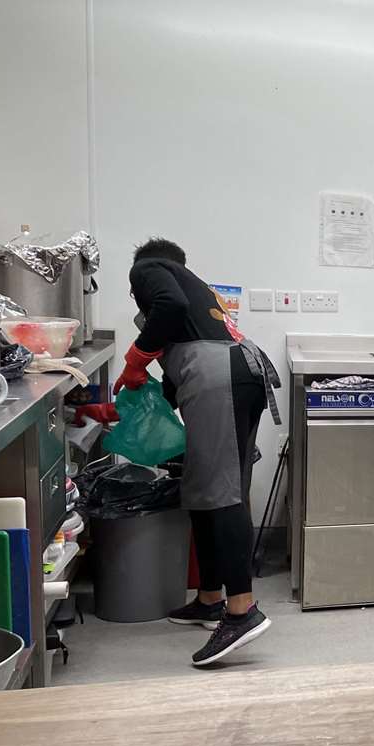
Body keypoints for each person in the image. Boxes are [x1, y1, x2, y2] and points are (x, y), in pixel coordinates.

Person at [118, 238, 281, 665]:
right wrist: (122, 409)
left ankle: (241, 610)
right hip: (238, 372)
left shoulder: (150, 268)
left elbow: (166, 308)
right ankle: (210, 598)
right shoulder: (198, 295)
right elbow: (173, 385)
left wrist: (135, 359)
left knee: (220, 492)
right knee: (205, 489)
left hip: (218, 378)